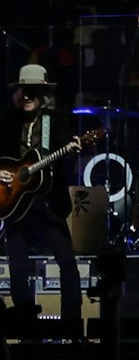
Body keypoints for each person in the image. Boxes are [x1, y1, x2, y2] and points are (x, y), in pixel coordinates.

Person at [0, 64, 83, 338]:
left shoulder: (54, 120)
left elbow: (66, 145)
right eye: (24, 90)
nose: (27, 96)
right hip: (15, 205)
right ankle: (25, 326)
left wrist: (72, 147)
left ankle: (71, 326)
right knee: (18, 268)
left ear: (43, 94)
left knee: (67, 264)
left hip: (48, 204)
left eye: (33, 91)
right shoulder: (7, 120)